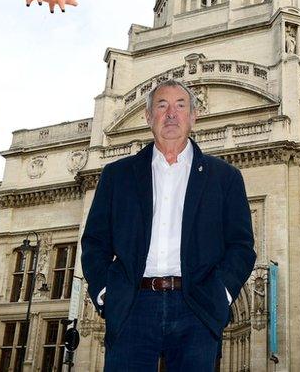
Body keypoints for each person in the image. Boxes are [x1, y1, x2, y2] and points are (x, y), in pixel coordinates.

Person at [81, 80, 256, 371]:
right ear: (149, 117)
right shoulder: (117, 175)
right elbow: (95, 243)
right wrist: (105, 294)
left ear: (193, 116)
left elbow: (241, 246)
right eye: (162, 106)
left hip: (196, 306)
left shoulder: (225, 177)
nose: (171, 113)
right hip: (132, 305)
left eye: (180, 105)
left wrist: (221, 293)